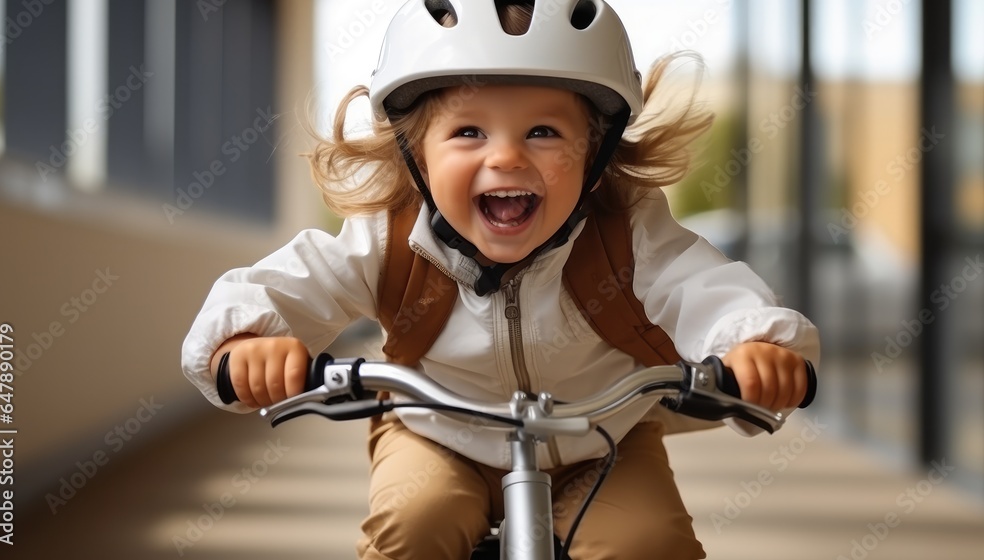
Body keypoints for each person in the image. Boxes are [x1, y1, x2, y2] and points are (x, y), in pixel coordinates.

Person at [182, 1, 820, 558]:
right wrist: (247, 341)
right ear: (416, 156)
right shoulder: (389, 239)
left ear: (597, 155)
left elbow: (701, 286)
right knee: (414, 525)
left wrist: (751, 344)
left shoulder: (630, 232)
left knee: (649, 544)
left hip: (598, 444)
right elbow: (293, 283)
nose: (507, 155)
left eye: (544, 131)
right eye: (468, 131)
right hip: (435, 434)